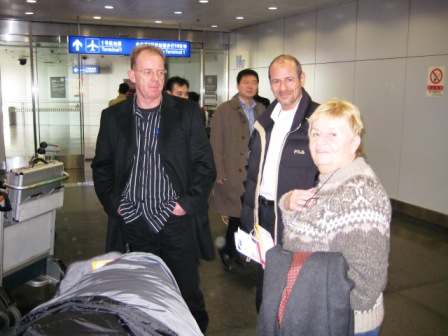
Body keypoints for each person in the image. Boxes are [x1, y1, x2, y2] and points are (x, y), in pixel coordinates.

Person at [91, 44, 216, 333]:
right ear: (131, 75)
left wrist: (184, 203)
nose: (155, 79)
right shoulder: (113, 117)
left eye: (160, 72)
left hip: (175, 221)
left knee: (187, 294)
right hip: (132, 222)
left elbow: (204, 165)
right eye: (147, 72)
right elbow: (103, 167)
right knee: (138, 294)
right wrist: (116, 204)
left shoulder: (186, 113)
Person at [279, 99, 391, 335]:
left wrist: (323, 311)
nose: (320, 142)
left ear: (354, 143)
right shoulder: (333, 178)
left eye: (333, 134)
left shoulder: (359, 193)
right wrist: (288, 203)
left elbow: (365, 284)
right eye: (316, 133)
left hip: (342, 323)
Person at [240, 54, 319, 312]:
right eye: (276, 81)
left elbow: (330, 176)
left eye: (289, 79)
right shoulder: (265, 120)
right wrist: (247, 216)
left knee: (292, 285)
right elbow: (255, 173)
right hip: (262, 214)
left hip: (294, 218)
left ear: (302, 79)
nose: (283, 87)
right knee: (266, 282)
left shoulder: (317, 120)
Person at [209, 69, 266, 271]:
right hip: (233, 171)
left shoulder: (261, 108)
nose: (250, 86)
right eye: (245, 82)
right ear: (237, 85)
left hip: (255, 172)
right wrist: (219, 172)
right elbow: (215, 143)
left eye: (254, 82)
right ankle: (227, 251)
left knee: (248, 215)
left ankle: (238, 251)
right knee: (235, 215)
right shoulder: (225, 109)